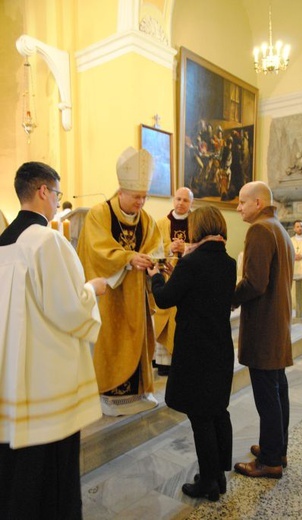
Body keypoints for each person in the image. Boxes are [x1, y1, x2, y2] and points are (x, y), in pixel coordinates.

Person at [0, 161, 107, 519]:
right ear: (44, 191)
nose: (57, 201)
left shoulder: (3, 246)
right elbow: (69, 309)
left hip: (11, 379)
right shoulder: (46, 240)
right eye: (57, 193)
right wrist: (92, 290)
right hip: (45, 383)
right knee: (51, 474)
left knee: (16, 471)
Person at [148, 206, 237, 502]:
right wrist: (178, 274)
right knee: (218, 410)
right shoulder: (228, 262)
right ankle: (220, 475)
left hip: (196, 350)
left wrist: (156, 277)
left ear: (197, 228)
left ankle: (208, 483)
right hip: (220, 346)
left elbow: (164, 299)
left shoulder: (191, 262)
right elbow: (205, 291)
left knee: (200, 417)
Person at [77, 147, 164, 417]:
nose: (141, 202)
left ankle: (138, 393)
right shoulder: (99, 214)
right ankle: (108, 394)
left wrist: (152, 261)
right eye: (137, 196)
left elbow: (155, 248)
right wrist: (128, 259)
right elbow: (95, 249)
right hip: (109, 293)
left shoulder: (147, 220)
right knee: (111, 342)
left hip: (136, 294)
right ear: (121, 192)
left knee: (137, 341)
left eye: (145, 196)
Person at [232, 181, 295, 479]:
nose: (238, 207)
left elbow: (255, 283)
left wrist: (228, 299)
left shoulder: (259, 229)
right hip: (277, 322)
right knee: (278, 389)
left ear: (258, 203)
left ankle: (270, 461)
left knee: (267, 395)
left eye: (242, 202)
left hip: (263, 325)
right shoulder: (279, 228)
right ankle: (277, 448)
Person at [154, 187, 194, 375]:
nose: (181, 203)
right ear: (173, 200)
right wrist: (169, 248)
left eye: (185, 200)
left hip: (190, 279)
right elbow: (153, 249)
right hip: (167, 277)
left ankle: (182, 360)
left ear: (191, 203)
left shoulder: (197, 222)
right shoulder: (161, 223)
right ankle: (164, 363)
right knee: (166, 315)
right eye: (178, 199)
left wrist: (185, 246)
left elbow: (202, 243)